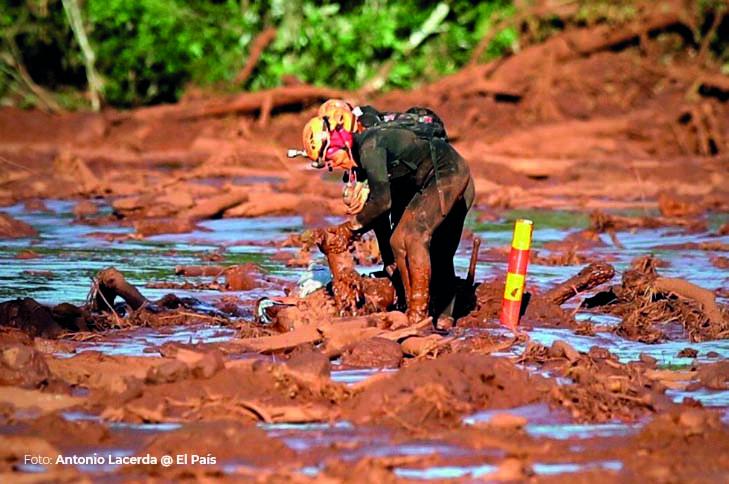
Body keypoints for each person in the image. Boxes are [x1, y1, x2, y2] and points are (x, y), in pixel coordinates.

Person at [297, 101, 475, 324]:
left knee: (416, 237)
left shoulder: (369, 146)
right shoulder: (360, 156)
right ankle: (413, 308)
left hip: (448, 174)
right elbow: (381, 213)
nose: (333, 166)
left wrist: (349, 230)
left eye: (330, 158)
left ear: (340, 143)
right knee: (397, 240)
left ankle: (422, 316)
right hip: (423, 181)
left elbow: (382, 201)